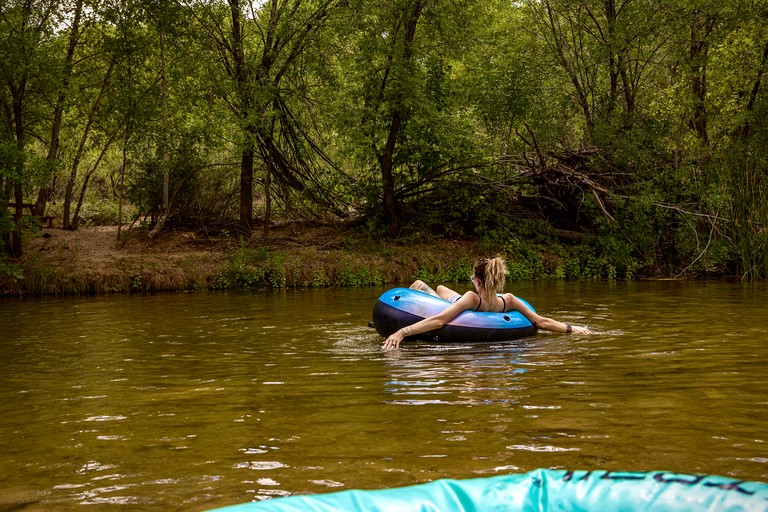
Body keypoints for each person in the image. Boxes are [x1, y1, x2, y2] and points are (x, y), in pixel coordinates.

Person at [382, 256, 592, 350]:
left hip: (454, 306)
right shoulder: (508, 300)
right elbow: (541, 322)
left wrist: (402, 331)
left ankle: (427, 298)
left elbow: (438, 321)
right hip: (467, 303)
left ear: (478, 280)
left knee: (419, 284)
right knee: (441, 289)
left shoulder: (472, 297)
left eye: (473, 278)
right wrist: (573, 328)